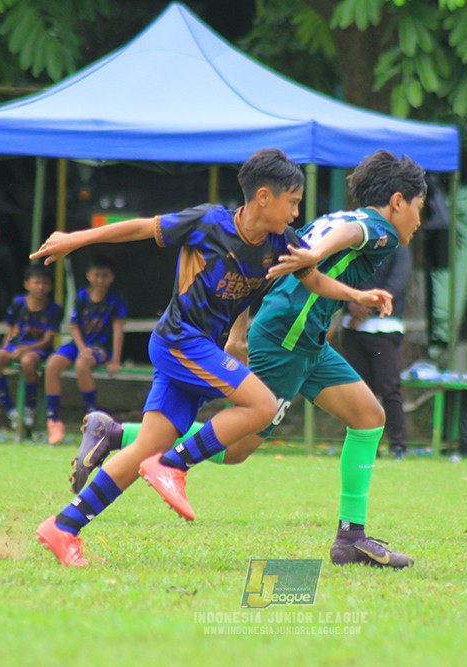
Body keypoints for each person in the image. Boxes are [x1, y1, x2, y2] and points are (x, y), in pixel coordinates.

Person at [29, 148, 392, 567]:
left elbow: (314, 280)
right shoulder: (208, 222)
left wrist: (356, 294)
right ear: (263, 198)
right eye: (292, 202)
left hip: (199, 349)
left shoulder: (281, 244)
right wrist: (76, 239)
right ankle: (173, 466)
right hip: (179, 340)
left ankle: (63, 527)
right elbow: (140, 228)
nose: (297, 213)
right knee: (261, 404)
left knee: (145, 446)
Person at [132, 150, 426, 569]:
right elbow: (353, 236)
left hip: (303, 341)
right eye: (418, 208)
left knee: (368, 416)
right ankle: (120, 437)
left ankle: (351, 538)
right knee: (234, 451)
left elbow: (264, 266)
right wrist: (315, 254)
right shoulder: (378, 226)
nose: (417, 219)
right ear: (398, 201)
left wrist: (239, 330)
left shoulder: (336, 217)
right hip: (286, 340)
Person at [43, 254, 127, 444]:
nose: (100, 280)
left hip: (101, 347)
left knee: (83, 364)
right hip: (79, 344)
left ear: (112, 277)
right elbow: (74, 326)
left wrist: (115, 360)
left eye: (105, 275)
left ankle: (92, 416)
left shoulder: (115, 298)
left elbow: (118, 329)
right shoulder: (82, 295)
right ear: (89, 275)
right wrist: (81, 347)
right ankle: (53, 418)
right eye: (96, 275)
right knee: (52, 364)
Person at [340, 244, 412, 460]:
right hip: (352, 329)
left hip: (384, 329)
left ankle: (397, 445)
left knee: (388, 387)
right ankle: (365, 444)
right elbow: (338, 279)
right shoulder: (354, 243)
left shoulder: (398, 247)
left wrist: (366, 306)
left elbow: (397, 284)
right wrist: (350, 304)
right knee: (359, 390)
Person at [0, 263, 63, 431]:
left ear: (51, 286)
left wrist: (26, 350)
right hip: (16, 346)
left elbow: (48, 340)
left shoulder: (54, 309)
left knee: (28, 362)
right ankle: (10, 409)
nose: (41, 287)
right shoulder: (18, 303)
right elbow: (11, 328)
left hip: (38, 349)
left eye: (45, 283)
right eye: (37, 282)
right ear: (27, 284)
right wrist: (5, 348)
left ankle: (30, 407)